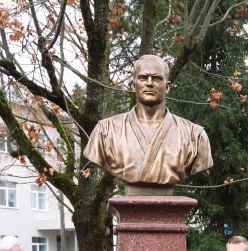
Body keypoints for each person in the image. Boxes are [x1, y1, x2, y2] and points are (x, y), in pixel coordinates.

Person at [83, 54, 212, 193]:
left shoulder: (195, 136)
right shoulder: (105, 131)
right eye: (143, 77)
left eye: (156, 78)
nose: (149, 83)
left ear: (167, 86)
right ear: (133, 85)